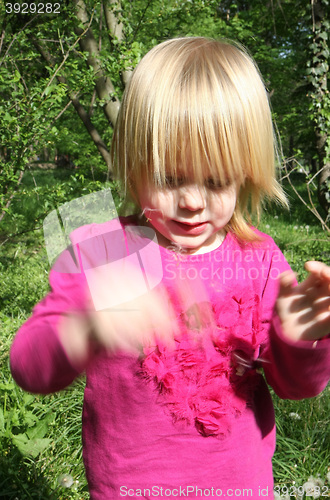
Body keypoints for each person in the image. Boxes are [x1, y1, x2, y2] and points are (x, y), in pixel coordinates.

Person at [10, 37, 330, 499]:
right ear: (134, 162)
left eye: (216, 180)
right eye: (169, 177)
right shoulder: (103, 251)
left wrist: (298, 342)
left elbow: (295, 386)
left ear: (247, 172)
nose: (192, 201)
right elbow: (28, 366)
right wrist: (84, 330)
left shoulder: (258, 257)